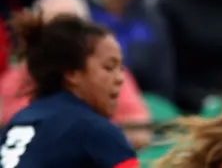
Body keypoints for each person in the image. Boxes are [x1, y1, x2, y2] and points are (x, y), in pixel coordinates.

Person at [0, 11, 138, 167]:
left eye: (121, 68)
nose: (120, 78)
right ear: (73, 73)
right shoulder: (96, 130)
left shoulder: (17, 122)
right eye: (109, 67)